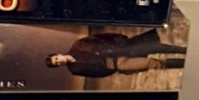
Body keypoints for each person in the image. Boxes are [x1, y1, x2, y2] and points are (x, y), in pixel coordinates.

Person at [45, 29, 188, 79]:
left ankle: (184, 50)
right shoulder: (74, 70)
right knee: (152, 63)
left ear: (58, 54)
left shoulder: (78, 45)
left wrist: (119, 38)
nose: (59, 61)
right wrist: (110, 69)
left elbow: (100, 37)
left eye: (57, 58)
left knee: (155, 47)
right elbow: (95, 75)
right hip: (118, 64)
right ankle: (186, 64)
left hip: (121, 48)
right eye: (57, 63)